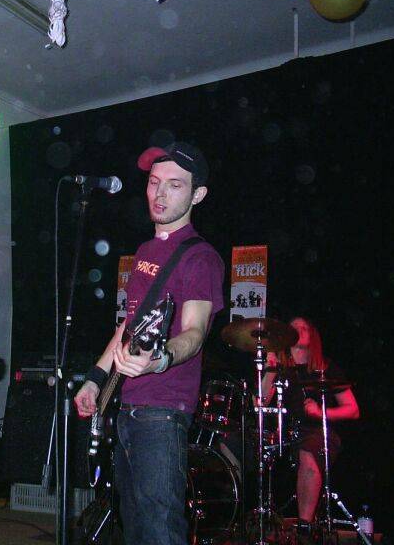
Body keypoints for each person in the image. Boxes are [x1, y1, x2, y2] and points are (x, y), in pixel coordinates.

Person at [74, 142, 225, 545]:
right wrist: (95, 378)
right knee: (136, 527)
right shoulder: (145, 251)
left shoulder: (200, 258)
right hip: (126, 406)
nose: (159, 193)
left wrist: (159, 359)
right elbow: (129, 324)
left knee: (161, 529)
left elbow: (194, 333)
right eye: (154, 182)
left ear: (197, 195)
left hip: (162, 411)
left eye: (175, 185)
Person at [261, 317, 359, 535]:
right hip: (280, 432)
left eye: (304, 327)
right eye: (294, 327)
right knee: (231, 442)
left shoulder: (325, 367)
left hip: (315, 431)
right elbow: (259, 403)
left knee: (308, 454)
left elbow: (352, 409)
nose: (299, 330)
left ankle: (304, 528)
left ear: (313, 335)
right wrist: (269, 371)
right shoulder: (279, 365)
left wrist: (320, 412)